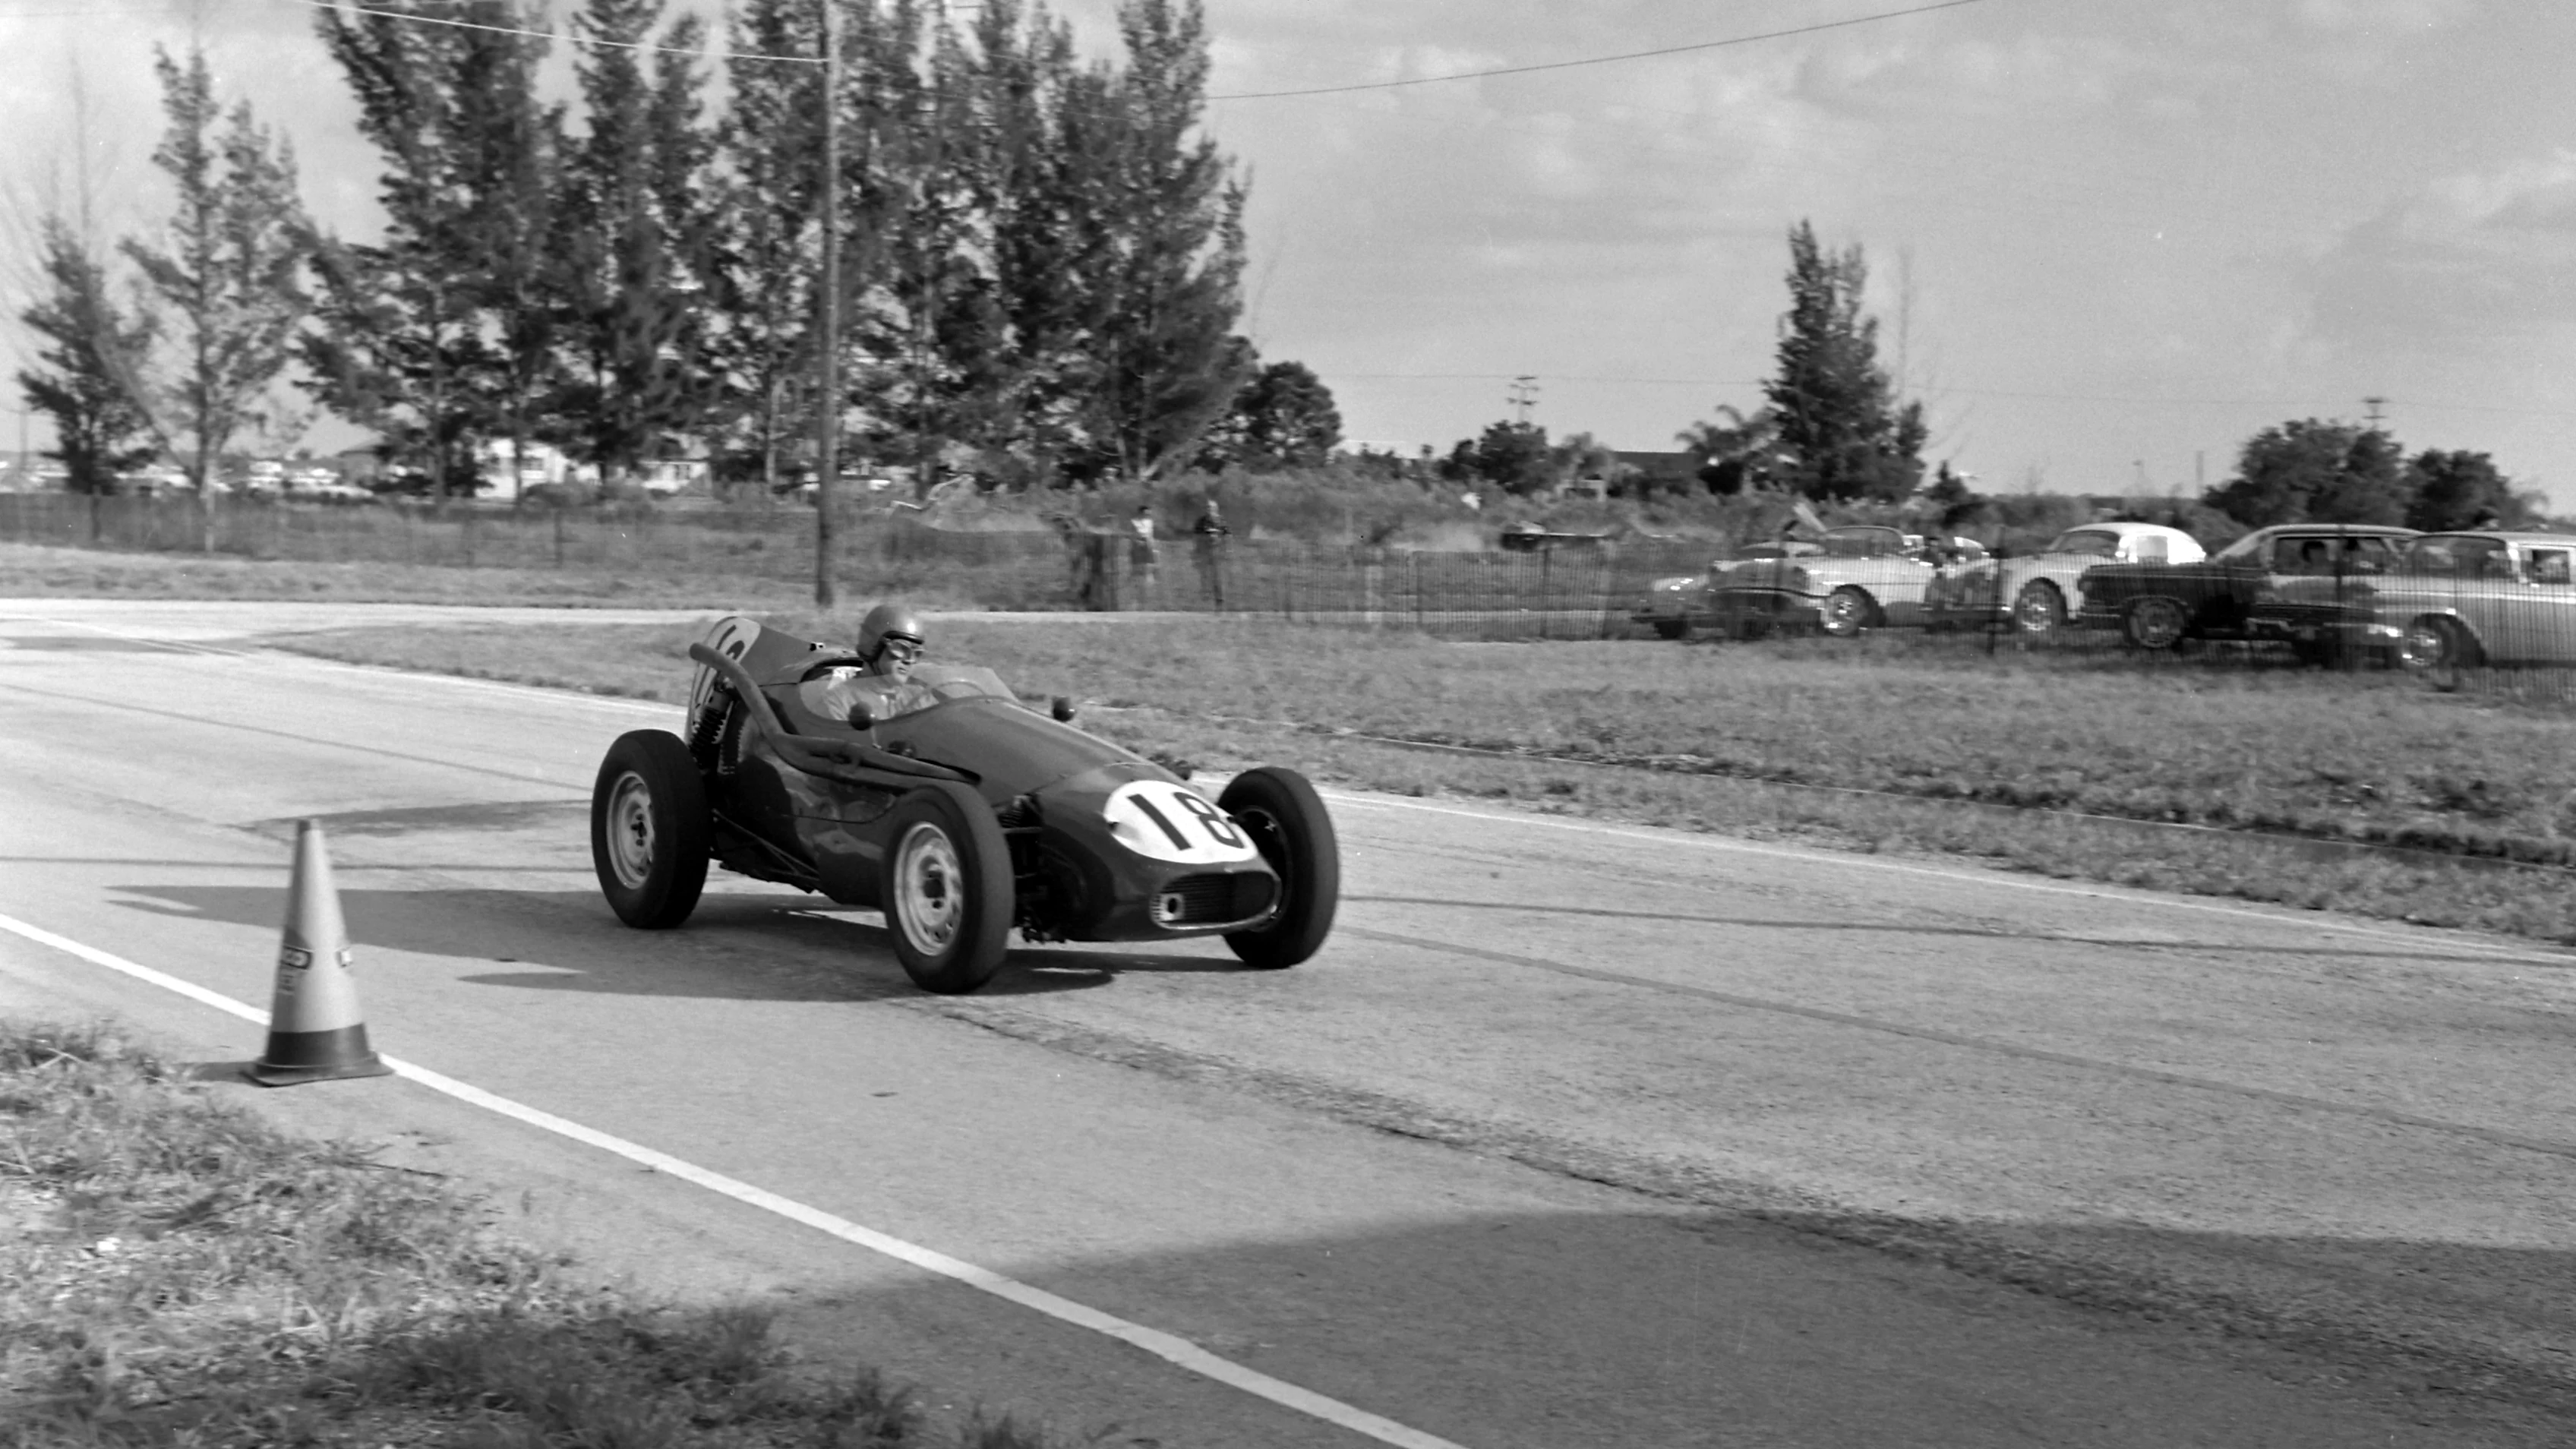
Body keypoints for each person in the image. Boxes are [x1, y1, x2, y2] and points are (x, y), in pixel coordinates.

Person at [799, 603, 935, 724]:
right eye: (900, 648)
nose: (909, 660)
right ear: (872, 646)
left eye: (917, 653)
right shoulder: (840, 701)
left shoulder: (920, 698)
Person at [1192, 497, 1229, 611]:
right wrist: (1196, 551)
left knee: (1218, 578)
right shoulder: (1201, 522)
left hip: (1217, 553)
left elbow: (1227, 536)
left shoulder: (1221, 521)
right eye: (1207, 507)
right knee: (1205, 577)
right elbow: (1196, 537)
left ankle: (1220, 602)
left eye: (1212, 507)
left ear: (1216, 509)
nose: (1209, 509)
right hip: (1204, 552)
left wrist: (1226, 549)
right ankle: (1205, 601)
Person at [1129, 504, 1159, 605]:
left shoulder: (1150, 522)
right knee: (1136, 571)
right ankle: (1135, 597)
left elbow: (1151, 536)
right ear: (1140, 513)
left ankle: (1147, 598)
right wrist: (1137, 543)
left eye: (1148, 514)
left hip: (1148, 546)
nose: (1147, 516)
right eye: (1145, 514)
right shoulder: (1134, 522)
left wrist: (1154, 549)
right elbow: (1132, 536)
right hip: (1137, 546)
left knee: (1148, 571)